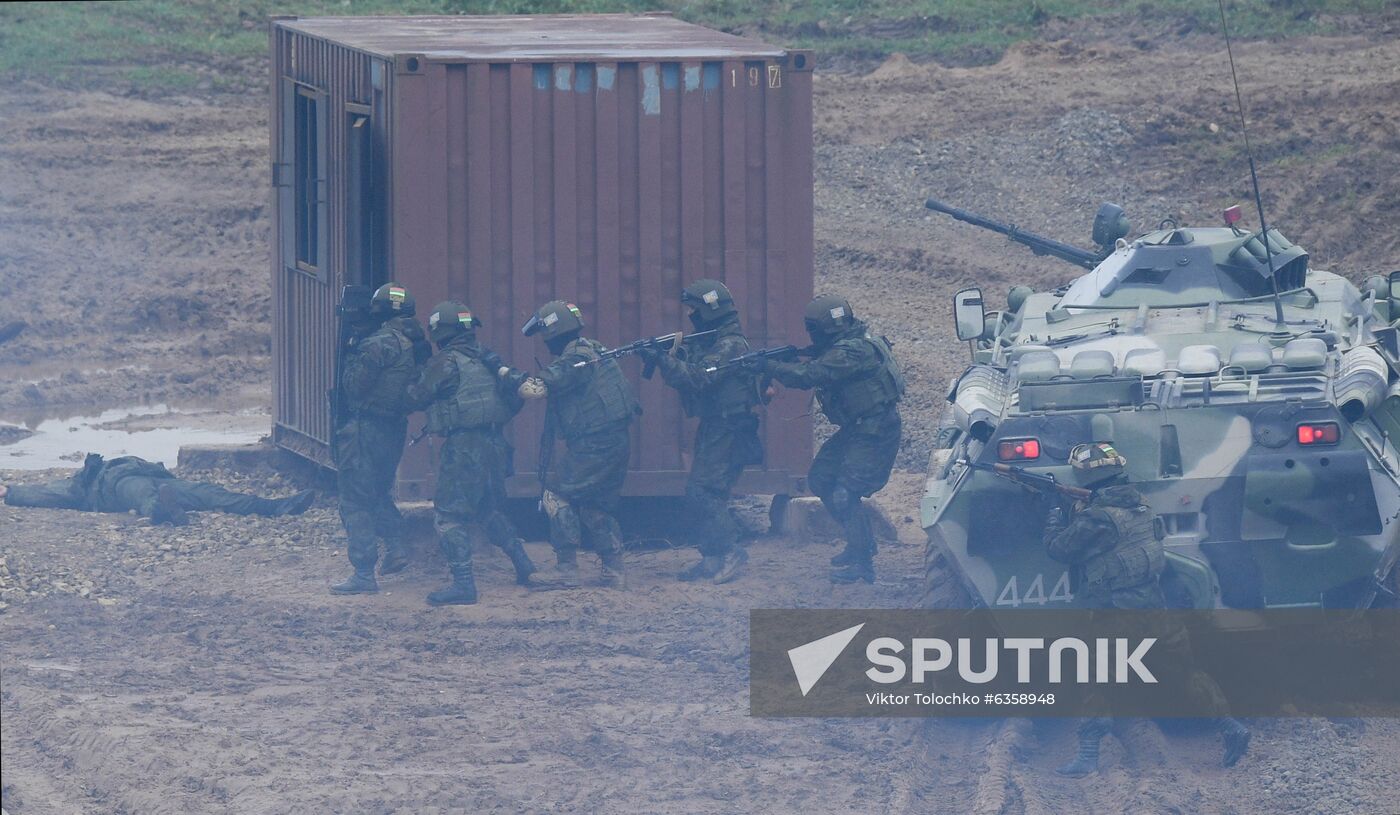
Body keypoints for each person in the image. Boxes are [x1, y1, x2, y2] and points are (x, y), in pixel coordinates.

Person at [1044, 442, 1250, 776]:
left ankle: (1088, 753)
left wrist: (1053, 514)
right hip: (1153, 607)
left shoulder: (1098, 517)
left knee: (1093, 678)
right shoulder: (1140, 504)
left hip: (1115, 614)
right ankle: (1229, 726)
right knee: (1186, 671)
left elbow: (1058, 549)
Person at [748, 294, 904, 584]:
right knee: (821, 479)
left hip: (876, 430)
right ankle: (861, 544)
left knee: (845, 492)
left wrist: (768, 367)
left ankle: (862, 563)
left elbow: (809, 376)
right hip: (857, 428)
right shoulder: (847, 343)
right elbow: (818, 361)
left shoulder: (853, 351)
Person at [404, 301, 535, 606]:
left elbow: (415, 396)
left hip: (464, 447)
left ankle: (463, 584)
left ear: (440, 331)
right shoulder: (487, 359)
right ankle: (524, 564)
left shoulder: (446, 362)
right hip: (495, 444)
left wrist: (419, 367)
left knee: (448, 516)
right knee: (488, 510)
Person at [507, 300, 639, 590]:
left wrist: (508, 376)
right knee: (595, 503)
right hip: (614, 441)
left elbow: (535, 389)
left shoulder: (574, 358)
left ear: (553, 331)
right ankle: (614, 570)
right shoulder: (595, 348)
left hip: (595, 444)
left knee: (556, 496)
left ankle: (566, 569)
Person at [638, 279, 762, 584]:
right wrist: (666, 355)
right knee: (706, 491)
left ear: (710, 310)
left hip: (729, 427)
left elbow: (696, 379)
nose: (691, 315)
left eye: (695, 309)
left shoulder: (730, 344)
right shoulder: (712, 340)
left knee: (703, 492)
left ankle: (730, 552)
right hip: (716, 424)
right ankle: (712, 558)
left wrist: (664, 360)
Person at [330, 282, 431, 596]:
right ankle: (396, 545)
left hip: (367, 429)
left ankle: (363, 573)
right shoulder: (415, 342)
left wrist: (350, 354)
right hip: (393, 428)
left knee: (354, 500)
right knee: (376, 491)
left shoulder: (379, 343)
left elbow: (355, 387)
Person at [0, 453, 313, 523]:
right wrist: (9, 493)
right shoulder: (79, 484)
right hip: (118, 487)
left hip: (162, 481)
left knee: (208, 492)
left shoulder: (110, 466)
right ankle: (164, 512)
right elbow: (47, 493)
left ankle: (273, 506)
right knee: (144, 497)